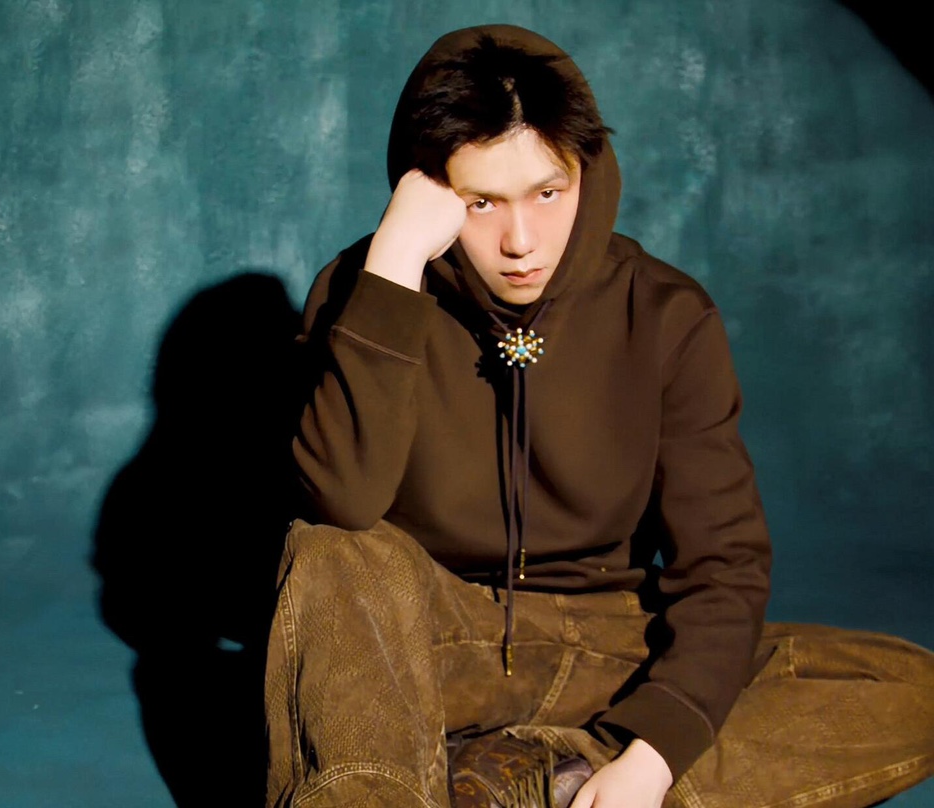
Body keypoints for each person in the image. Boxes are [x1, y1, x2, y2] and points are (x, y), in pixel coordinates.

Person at [264, 23, 934, 808]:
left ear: (588, 170)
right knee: (330, 551)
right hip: (428, 646)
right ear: (427, 191)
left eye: (548, 193)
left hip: (610, 649)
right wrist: (395, 266)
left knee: (909, 688)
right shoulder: (367, 290)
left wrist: (652, 761)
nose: (520, 241)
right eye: (481, 203)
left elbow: (722, 568)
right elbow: (342, 503)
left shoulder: (666, 313)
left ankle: (542, 775)